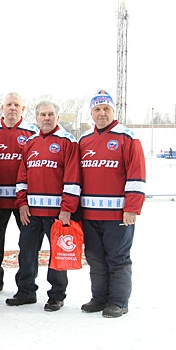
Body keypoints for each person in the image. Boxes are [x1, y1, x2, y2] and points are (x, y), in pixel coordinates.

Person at [7, 100, 81, 312]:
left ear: (57, 117)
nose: (46, 118)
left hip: (57, 213)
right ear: (37, 118)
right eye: (42, 115)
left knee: (58, 255)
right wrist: (21, 204)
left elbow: (72, 178)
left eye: (50, 114)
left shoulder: (67, 142)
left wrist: (67, 208)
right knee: (26, 252)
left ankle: (56, 295)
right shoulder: (30, 143)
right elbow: (22, 177)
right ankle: (26, 291)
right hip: (31, 212)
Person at [78, 90, 146, 318]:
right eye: (97, 109)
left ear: (113, 111)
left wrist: (132, 207)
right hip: (90, 213)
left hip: (118, 214)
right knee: (95, 258)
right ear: (91, 113)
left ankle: (118, 301)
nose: (101, 113)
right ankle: (99, 298)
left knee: (117, 258)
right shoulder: (84, 139)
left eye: (106, 109)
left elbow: (136, 175)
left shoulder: (127, 138)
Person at [0, 93, 38, 296]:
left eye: (16, 105)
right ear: (1, 108)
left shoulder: (33, 132)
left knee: (28, 242)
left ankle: (26, 284)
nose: (12, 108)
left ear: (23, 109)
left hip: (24, 200)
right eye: (8, 105)